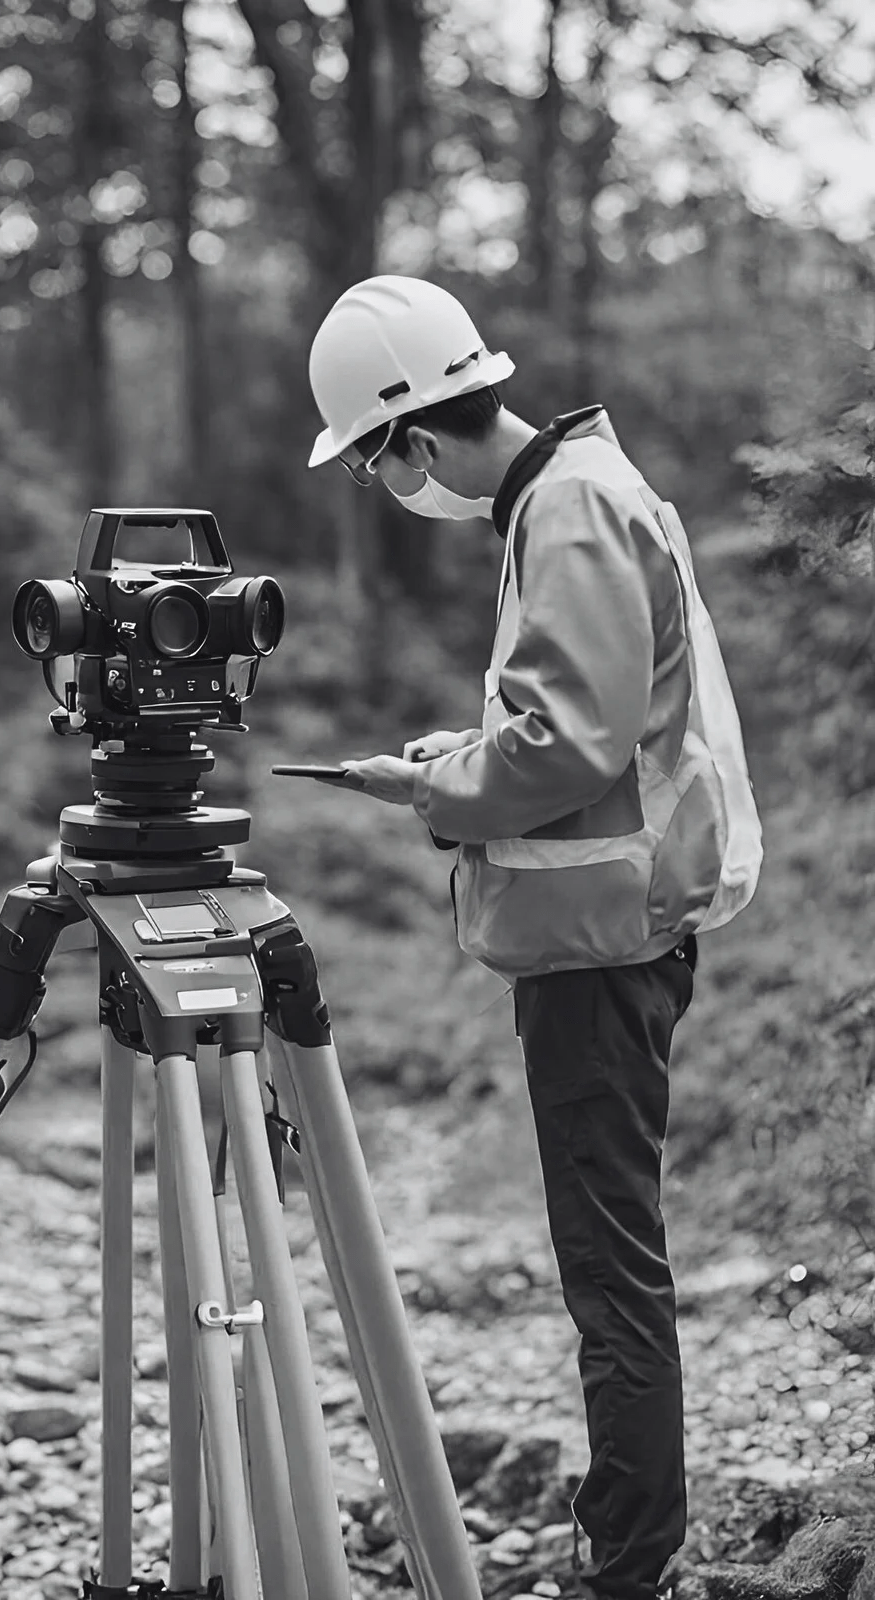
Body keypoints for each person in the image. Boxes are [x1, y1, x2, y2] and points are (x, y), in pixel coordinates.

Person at [304, 275, 763, 1600]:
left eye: (378, 464)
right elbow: (581, 724)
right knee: (606, 1251)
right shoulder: (572, 493)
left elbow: (569, 743)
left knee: (608, 1266)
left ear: (411, 442)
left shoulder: (565, 511)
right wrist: (457, 758)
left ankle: (625, 1559)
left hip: (605, 941)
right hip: (610, 924)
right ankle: (627, 1537)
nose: (391, 488)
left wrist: (436, 789)